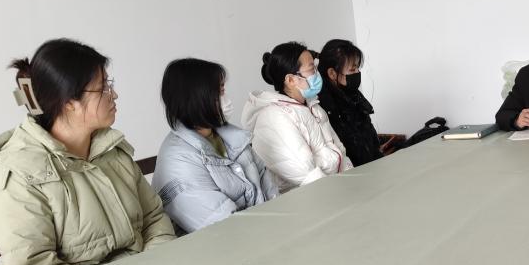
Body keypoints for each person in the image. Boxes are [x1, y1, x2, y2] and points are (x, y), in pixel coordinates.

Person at [0, 38, 175, 265]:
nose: (114, 95)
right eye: (103, 88)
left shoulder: (111, 149)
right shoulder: (18, 170)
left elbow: (154, 219)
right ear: (68, 102)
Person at [152, 58, 278, 234]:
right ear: (196, 98)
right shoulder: (178, 162)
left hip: (263, 232)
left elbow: (269, 187)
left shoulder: (233, 138)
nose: (227, 100)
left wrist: (278, 222)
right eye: (220, 92)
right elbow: (223, 228)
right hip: (224, 244)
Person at [242, 42, 353, 193]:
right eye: (311, 69)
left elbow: (339, 151)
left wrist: (351, 180)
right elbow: (306, 174)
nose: (317, 74)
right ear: (291, 80)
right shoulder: (274, 118)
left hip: (336, 187)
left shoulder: (314, 107)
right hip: (308, 197)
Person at [316, 39, 387, 167]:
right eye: (352, 69)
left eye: (357, 68)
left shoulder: (352, 94)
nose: (357, 73)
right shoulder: (324, 106)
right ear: (332, 73)